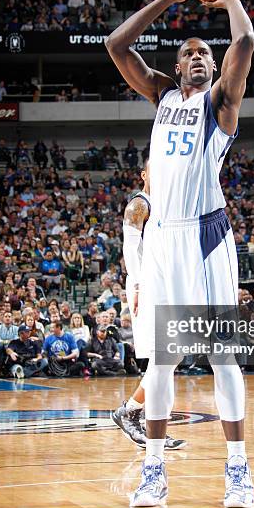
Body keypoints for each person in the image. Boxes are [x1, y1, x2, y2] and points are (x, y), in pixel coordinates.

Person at [105, 0, 254, 508]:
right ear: (176, 65)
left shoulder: (222, 104)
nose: (198, 57)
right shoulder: (162, 96)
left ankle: (238, 470)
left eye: (205, 54)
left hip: (207, 237)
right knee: (161, 362)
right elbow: (116, 47)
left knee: (222, 357)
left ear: (214, 70)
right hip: (163, 240)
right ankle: (154, 470)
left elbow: (244, 46)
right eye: (189, 52)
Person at [111, 160, 186, 450]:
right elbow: (130, 248)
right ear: (144, 175)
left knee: (173, 355)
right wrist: (140, 284)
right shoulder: (138, 205)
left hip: (167, 284)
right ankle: (134, 415)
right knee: (165, 356)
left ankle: (135, 414)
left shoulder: (168, 206)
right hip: (146, 284)